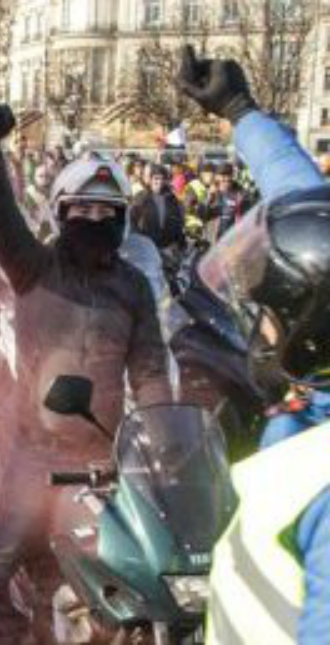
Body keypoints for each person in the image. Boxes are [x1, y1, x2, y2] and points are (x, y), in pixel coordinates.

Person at [0, 104, 172, 644]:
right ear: (61, 212)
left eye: (105, 212)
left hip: (107, 455)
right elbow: (2, 221)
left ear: (121, 219)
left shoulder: (134, 286)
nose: (93, 220)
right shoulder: (34, 267)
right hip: (37, 450)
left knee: (124, 570)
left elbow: (150, 371)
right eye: (81, 210)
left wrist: (165, 440)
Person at [177, 44, 330, 645]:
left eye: (267, 312)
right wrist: (241, 113)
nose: (257, 327)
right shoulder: (312, 396)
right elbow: (305, 206)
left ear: (308, 336)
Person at [200, 162, 255, 242]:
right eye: (222, 175)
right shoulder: (212, 193)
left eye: (227, 175)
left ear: (232, 176)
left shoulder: (241, 194)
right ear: (216, 177)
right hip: (213, 242)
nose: (224, 179)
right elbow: (203, 215)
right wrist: (209, 198)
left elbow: (250, 218)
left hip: (233, 241)